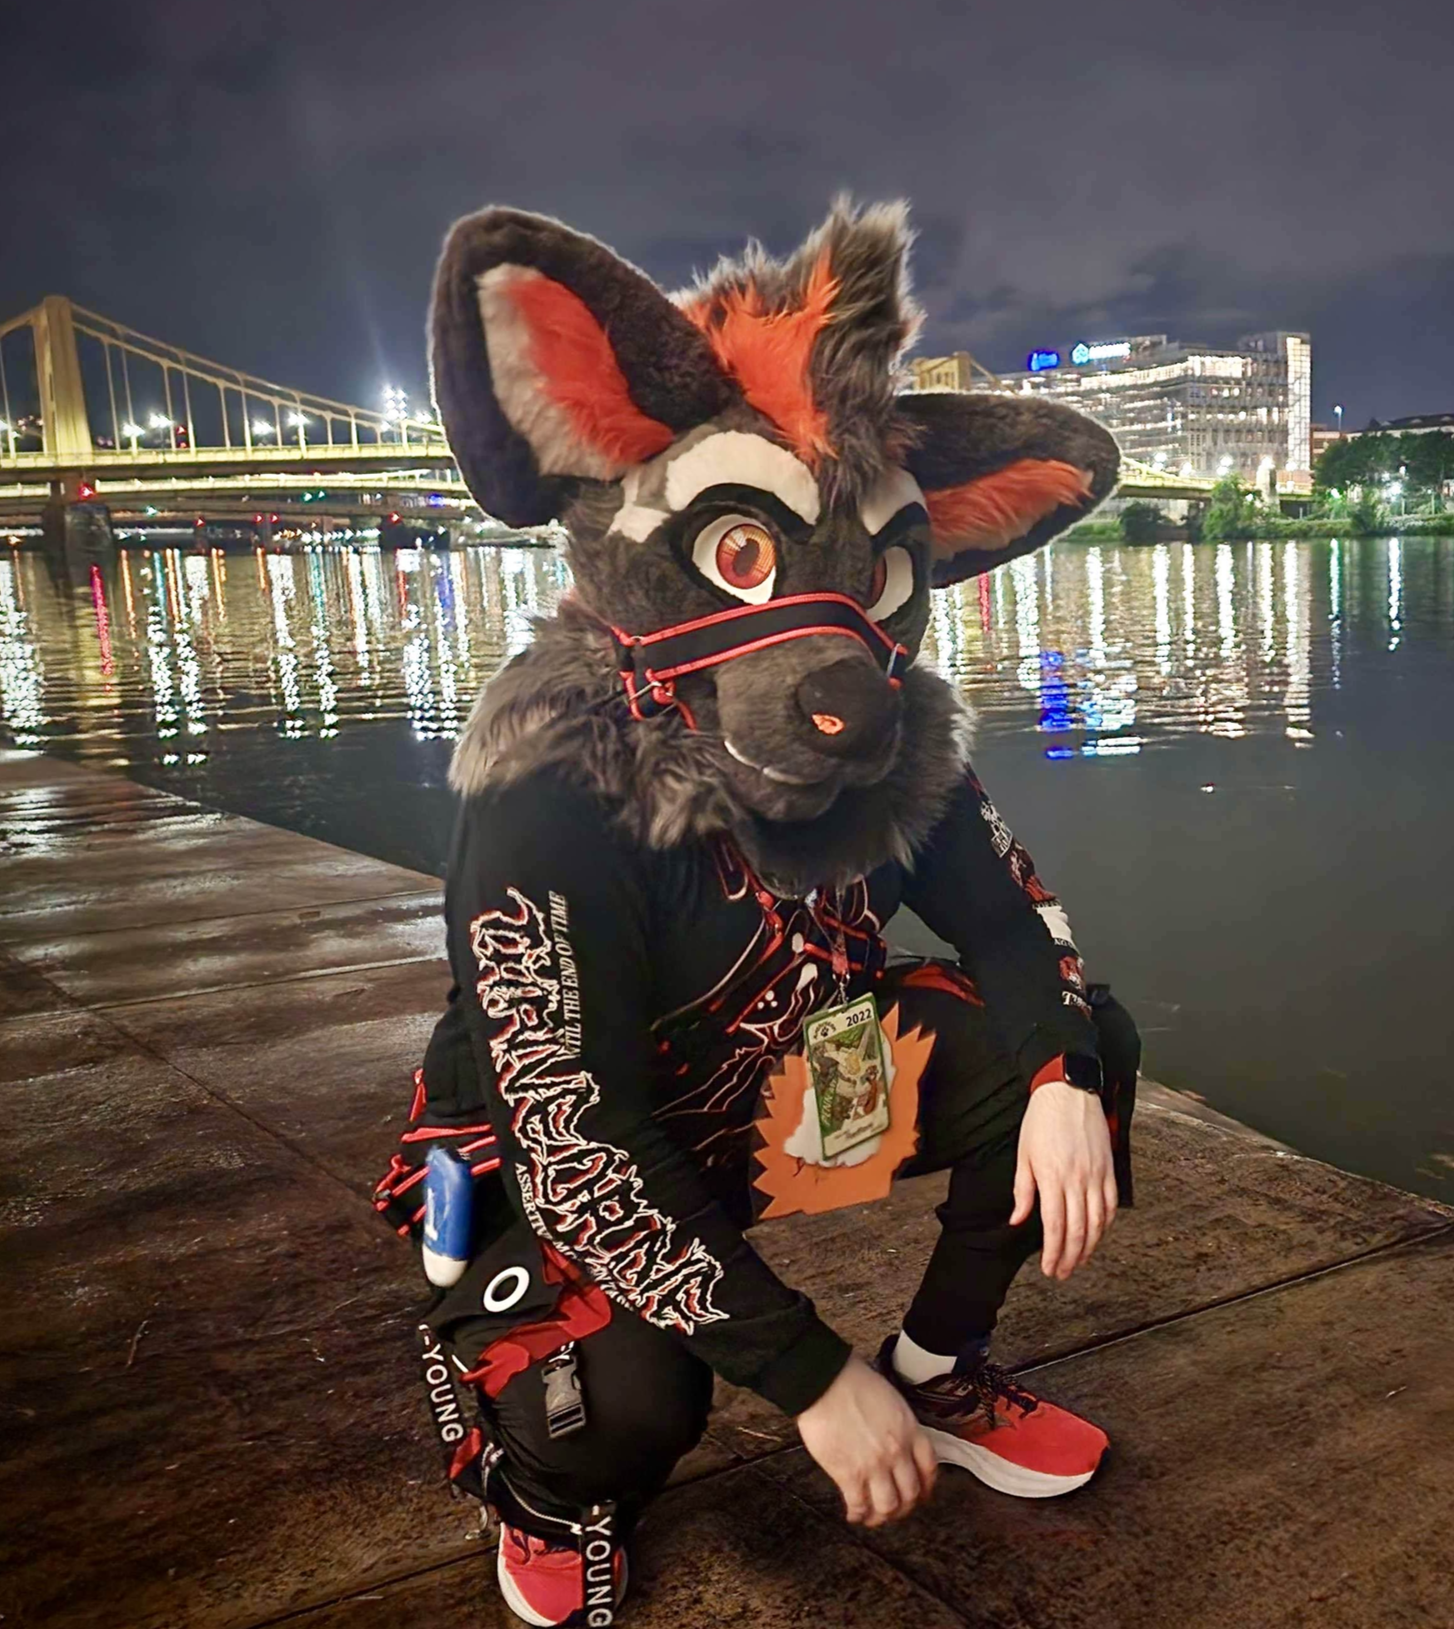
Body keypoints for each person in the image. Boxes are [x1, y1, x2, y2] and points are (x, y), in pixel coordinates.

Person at [375, 198, 1139, 1628]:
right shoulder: (550, 777)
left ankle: (938, 1371)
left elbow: (1010, 924)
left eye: (876, 577)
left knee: (1082, 1042)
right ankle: (538, 1484)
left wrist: (1060, 1073)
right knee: (627, 1412)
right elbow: (578, 1138)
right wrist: (812, 1378)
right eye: (748, 554)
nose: (837, 667)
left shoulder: (898, 745)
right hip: (574, 1145)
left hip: (782, 1093)